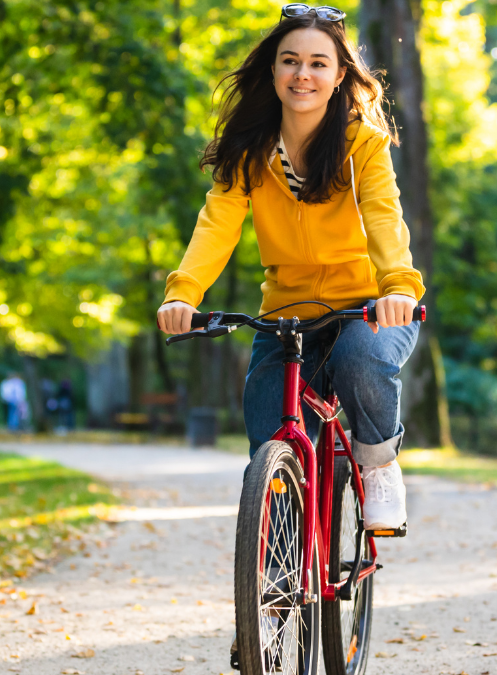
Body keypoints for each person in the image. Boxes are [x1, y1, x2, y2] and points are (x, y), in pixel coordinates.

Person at [157, 3, 422, 532]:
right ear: (273, 70)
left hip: (369, 308)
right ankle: (277, 563)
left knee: (359, 360)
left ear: (340, 74)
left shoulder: (362, 144)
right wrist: (182, 293)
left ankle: (377, 464)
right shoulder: (248, 151)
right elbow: (217, 224)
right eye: (290, 61)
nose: (303, 74)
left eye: (319, 63)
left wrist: (396, 286)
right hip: (287, 311)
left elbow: (384, 217)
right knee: (268, 432)